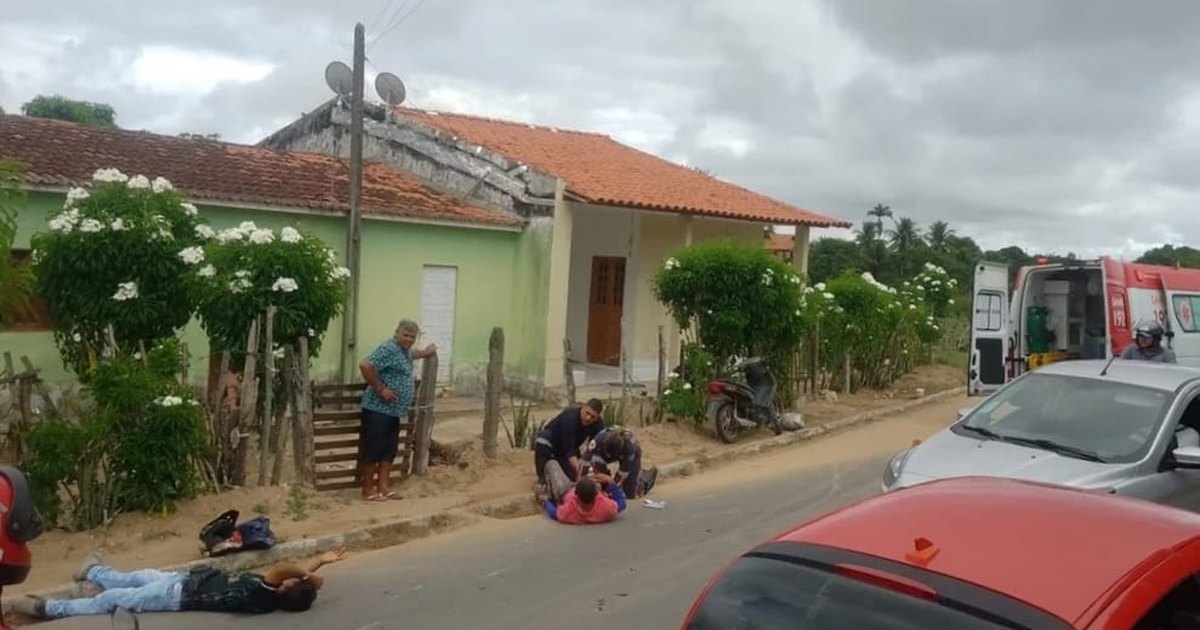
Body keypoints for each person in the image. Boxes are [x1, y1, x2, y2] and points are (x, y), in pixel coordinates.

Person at [10, 547, 348, 619]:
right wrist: (320, 563)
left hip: (176, 595)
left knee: (111, 599)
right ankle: (92, 571)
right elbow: (295, 574)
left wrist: (310, 575)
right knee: (136, 576)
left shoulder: (263, 595)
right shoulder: (274, 593)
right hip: (186, 581)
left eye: (292, 582)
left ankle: (47, 608)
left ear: (287, 588)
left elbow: (283, 567)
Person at [358, 319, 437, 501]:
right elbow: (365, 365)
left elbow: (412, 354)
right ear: (397, 333)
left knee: (389, 450)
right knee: (374, 449)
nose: (409, 339)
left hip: (393, 411)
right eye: (405, 335)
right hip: (378, 409)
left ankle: (384, 488)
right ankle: (368, 490)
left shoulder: (404, 351)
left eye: (412, 337)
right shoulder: (389, 348)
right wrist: (380, 389)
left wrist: (426, 353)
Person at [533, 399, 605, 491]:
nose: (588, 418)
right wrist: (581, 470)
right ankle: (541, 480)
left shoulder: (599, 425)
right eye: (587, 413)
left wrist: (592, 471)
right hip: (552, 443)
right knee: (542, 440)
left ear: (598, 417)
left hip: (568, 447)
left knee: (575, 478)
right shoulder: (570, 418)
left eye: (593, 417)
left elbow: (594, 450)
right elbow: (569, 452)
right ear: (583, 408)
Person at [582, 426, 659, 499]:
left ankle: (645, 481)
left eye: (611, 455)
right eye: (608, 454)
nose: (609, 457)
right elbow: (584, 462)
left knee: (628, 494)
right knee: (598, 476)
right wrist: (580, 484)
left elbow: (622, 476)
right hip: (602, 453)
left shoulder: (629, 448)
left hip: (631, 455)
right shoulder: (598, 440)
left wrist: (611, 489)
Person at [538, 463, 626, 525]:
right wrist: (611, 482)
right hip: (576, 488)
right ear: (597, 494)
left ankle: (542, 484)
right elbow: (622, 504)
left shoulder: (569, 511)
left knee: (552, 464)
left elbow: (554, 513)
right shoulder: (607, 508)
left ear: (576, 494)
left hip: (565, 490)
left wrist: (545, 502)